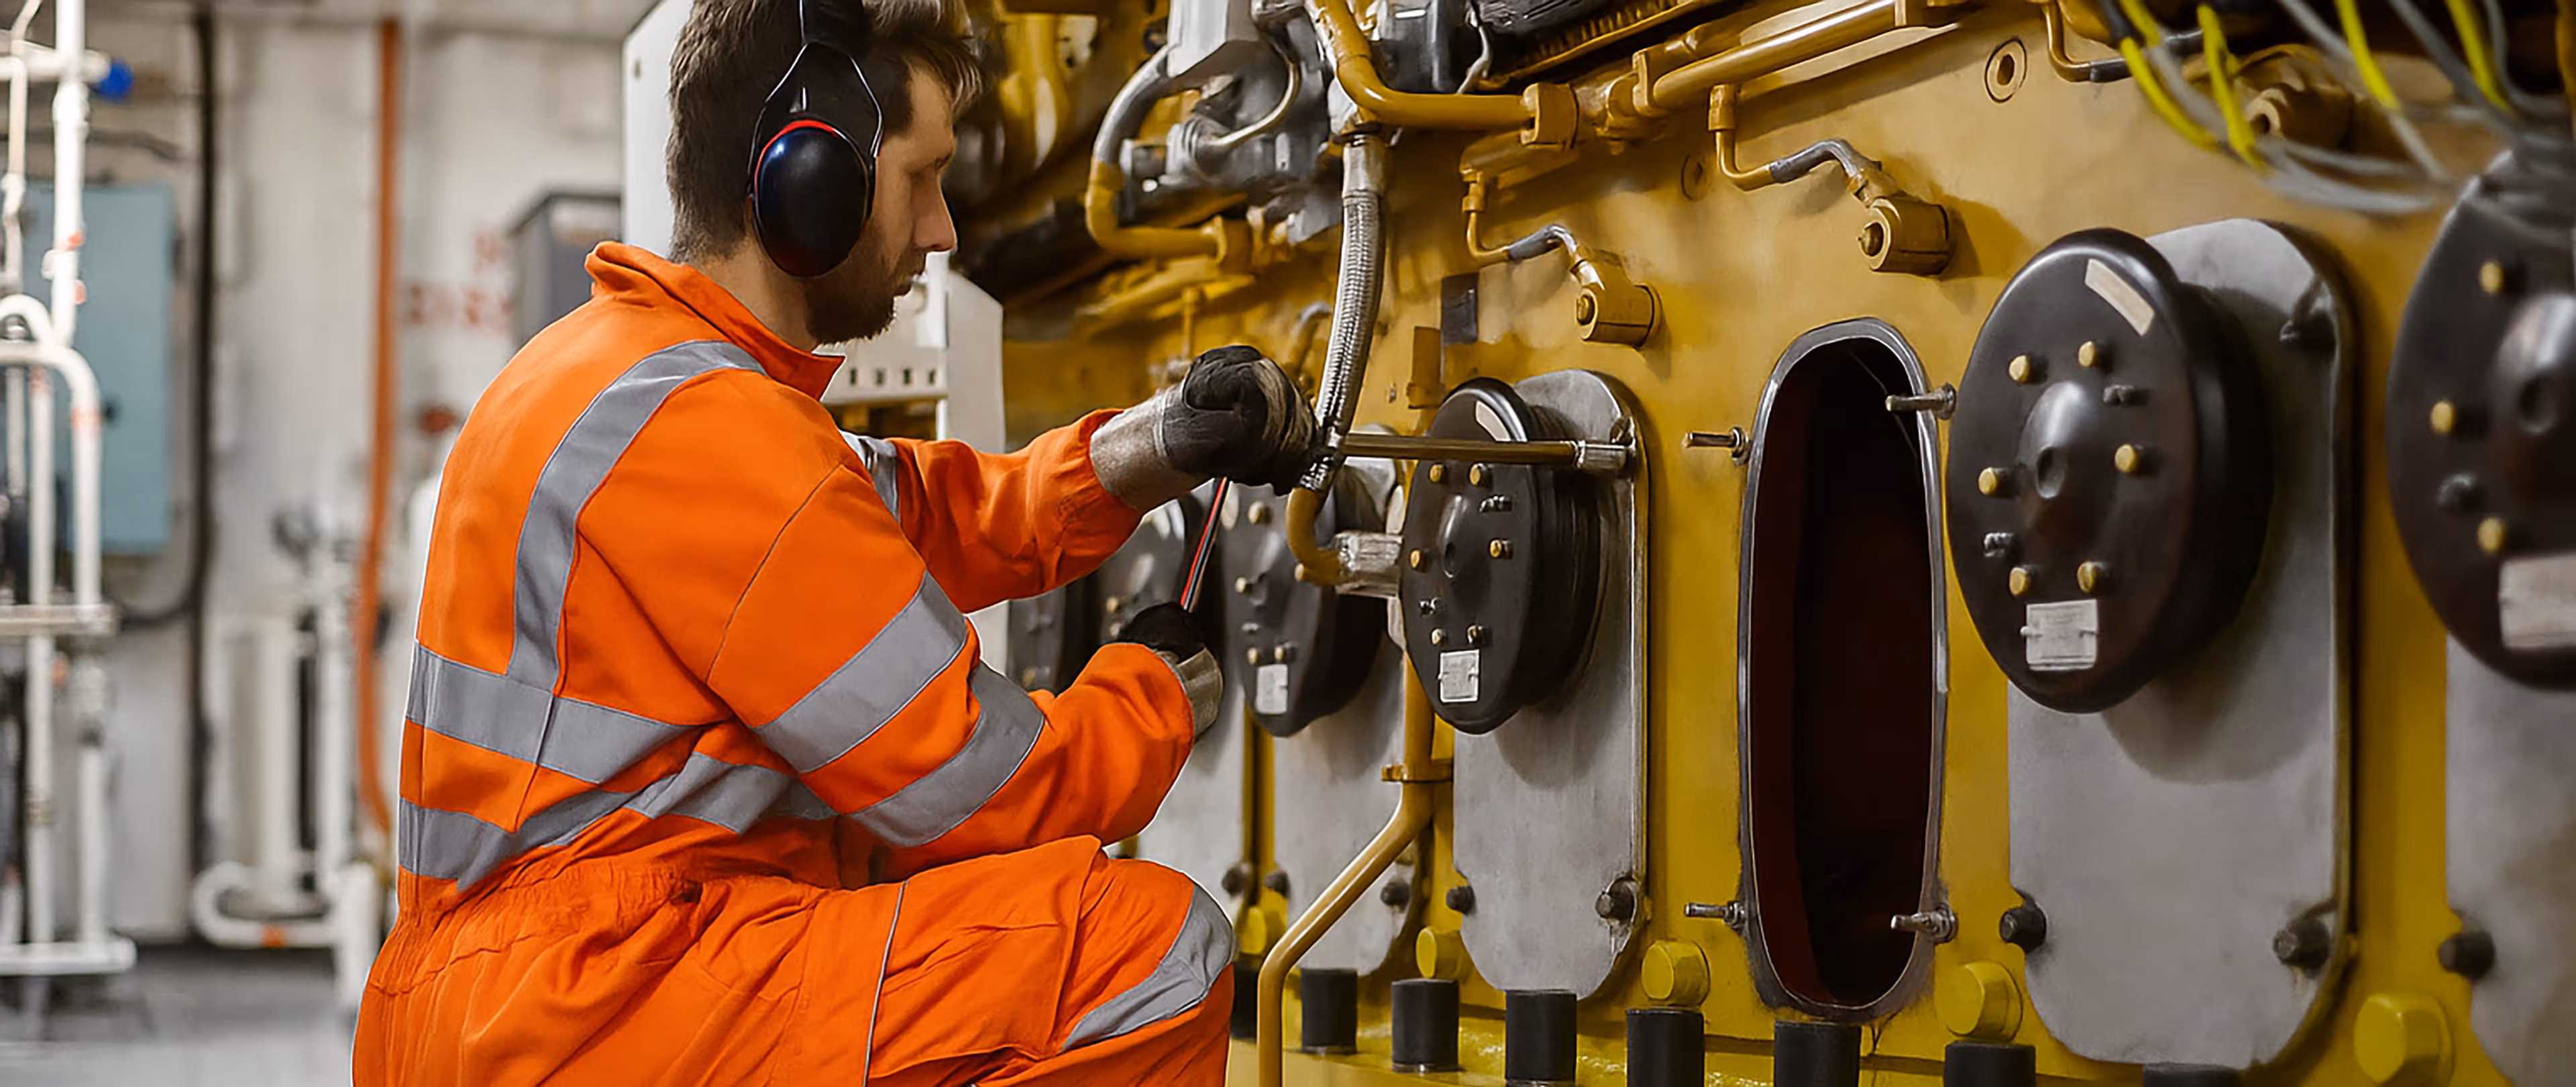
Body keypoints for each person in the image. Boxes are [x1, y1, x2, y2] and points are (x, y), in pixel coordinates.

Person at [352, 0, 1316, 1081]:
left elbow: (927, 513)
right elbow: (980, 794)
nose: (943, 228)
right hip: (596, 1006)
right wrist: (1158, 693)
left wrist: (1159, 442)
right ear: (808, 179)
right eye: (920, 177)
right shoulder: (702, 425)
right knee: (1151, 951)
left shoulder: (617, 376)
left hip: (512, 1005)